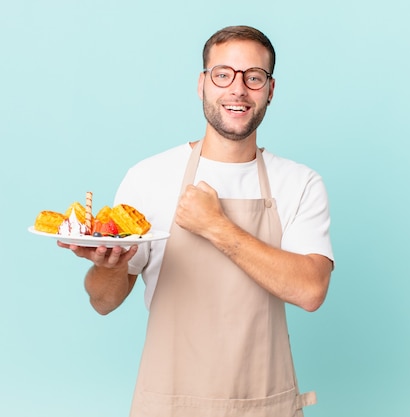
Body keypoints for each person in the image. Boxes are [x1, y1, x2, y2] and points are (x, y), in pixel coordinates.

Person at [58, 25, 334, 417]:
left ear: (270, 90)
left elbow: (311, 290)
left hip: (262, 404)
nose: (237, 90)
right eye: (223, 74)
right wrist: (110, 266)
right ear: (202, 84)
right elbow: (103, 301)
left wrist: (216, 226)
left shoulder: (300, 183)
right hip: (169, 404)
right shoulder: (149, 177)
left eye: (254, 78)